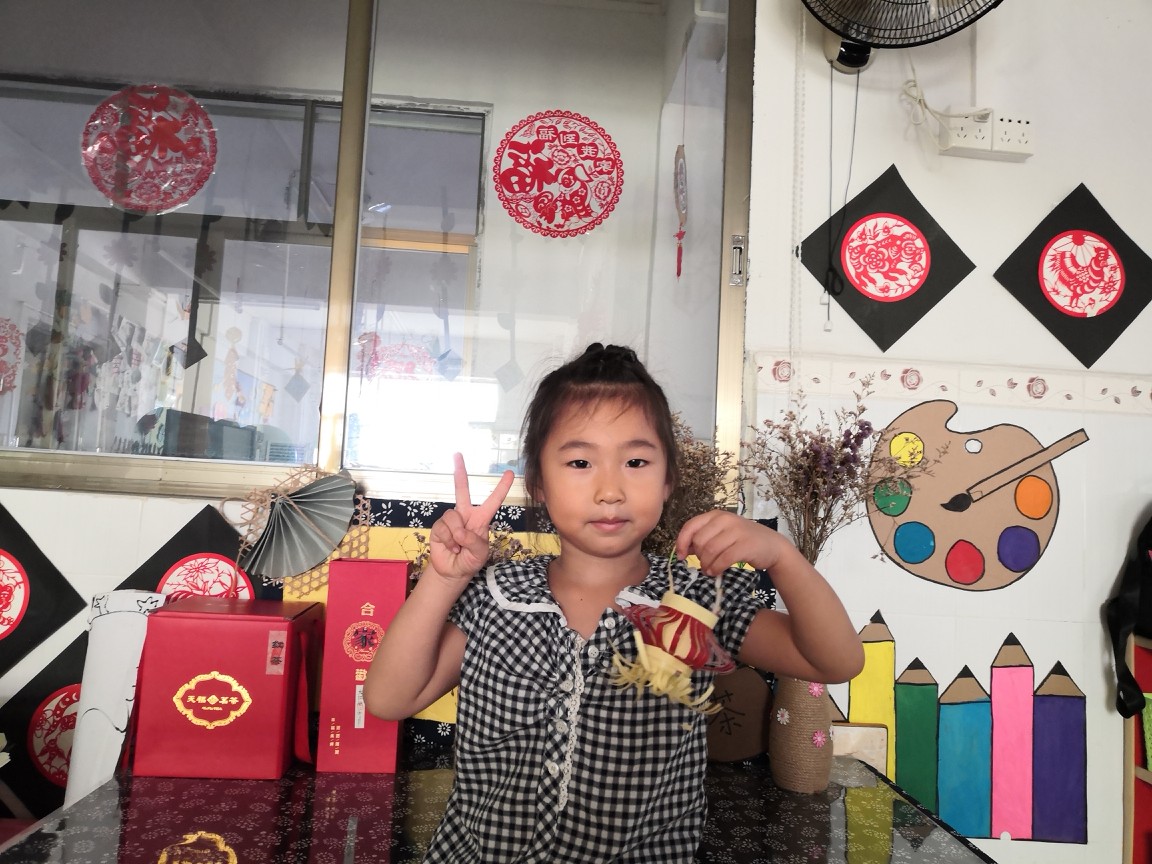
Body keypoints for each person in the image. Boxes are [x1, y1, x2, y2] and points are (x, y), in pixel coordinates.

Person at [365, 343, 864, 863]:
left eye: (636, 461)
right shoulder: (495, 596)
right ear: (539, 483)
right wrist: (444, 578)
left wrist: (783, 558)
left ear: (668, 480)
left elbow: (836, 661)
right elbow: (388, 700)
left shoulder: (693, 601)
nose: (610, 490)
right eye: (580, 462)